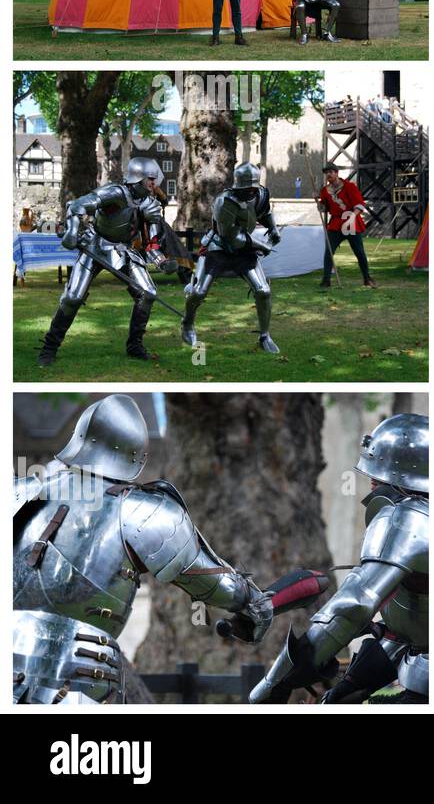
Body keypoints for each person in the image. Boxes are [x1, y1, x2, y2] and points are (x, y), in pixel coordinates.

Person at [14, 396, 272, 703]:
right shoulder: (144, 511)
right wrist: (254, 602)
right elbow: (218, 585)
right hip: (76, 685)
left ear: (80, 438)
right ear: (136, 452)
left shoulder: (20, 489)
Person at [252, 414, 429, 703]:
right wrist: (348, 687)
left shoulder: (403, 519)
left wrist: (276, 682)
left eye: (378, 472)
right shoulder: (425, 516)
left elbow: (355, 603)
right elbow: (408, 626)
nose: (371, 481)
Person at [38, 157, 170, 366]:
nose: (154, 184)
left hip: (123, 249)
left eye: (155, 179)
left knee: (148, 293)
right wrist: (72, 231)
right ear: (139, 179)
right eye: (151, 179)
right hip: (95, 245)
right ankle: (49, 348)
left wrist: (161, 261)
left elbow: (150, 240)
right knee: (72, 297)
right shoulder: (115, 193)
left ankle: (134, 345)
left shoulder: (148, 204)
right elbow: (77, 205)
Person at [182, 162, 282, 355]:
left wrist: (273, 228)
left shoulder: (258, 195)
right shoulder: (225, 202)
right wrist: (261, 245)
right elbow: (231, 237)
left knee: (263, 291)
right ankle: (187, 324)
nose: (252, 193)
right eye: (248, 189)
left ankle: (264, 335)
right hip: (217, 248)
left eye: (254, 189)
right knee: (199, 292)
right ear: (240, 186)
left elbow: (264, 211)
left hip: (243, 251)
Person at [319, 165, 377, 289]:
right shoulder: (325, 191)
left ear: (336, 173)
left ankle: (367, 278)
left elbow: (359, 205)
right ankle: (326, 280)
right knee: (328, 252)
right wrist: (318, 202)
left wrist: (351, 219)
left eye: (330, 172)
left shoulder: (349, 187)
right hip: (335, 223)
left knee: (359, 252)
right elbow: (324, 208)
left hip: (350, 220)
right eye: (326, 173)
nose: (328, 175)